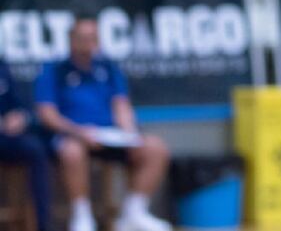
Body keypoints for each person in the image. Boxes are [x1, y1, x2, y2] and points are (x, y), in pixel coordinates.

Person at [35, 17, 172, 231]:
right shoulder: (54, 69)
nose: (88, 43)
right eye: (83, 38)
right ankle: (81, 216)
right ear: (71, 39)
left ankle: (134, 213)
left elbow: (121, 105)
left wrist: (129, 133)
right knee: (71, 151)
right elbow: (46, 114)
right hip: (73, 136)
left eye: (93, 38)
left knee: (155, 148)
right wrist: (78, 132)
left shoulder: (108, 67)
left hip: (110, 136)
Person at [0, 57, 51, 231]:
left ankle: (42, 225)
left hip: (5, 136)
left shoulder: (2, 65)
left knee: (35, 148)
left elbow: (18, 103)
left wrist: (20, 117)